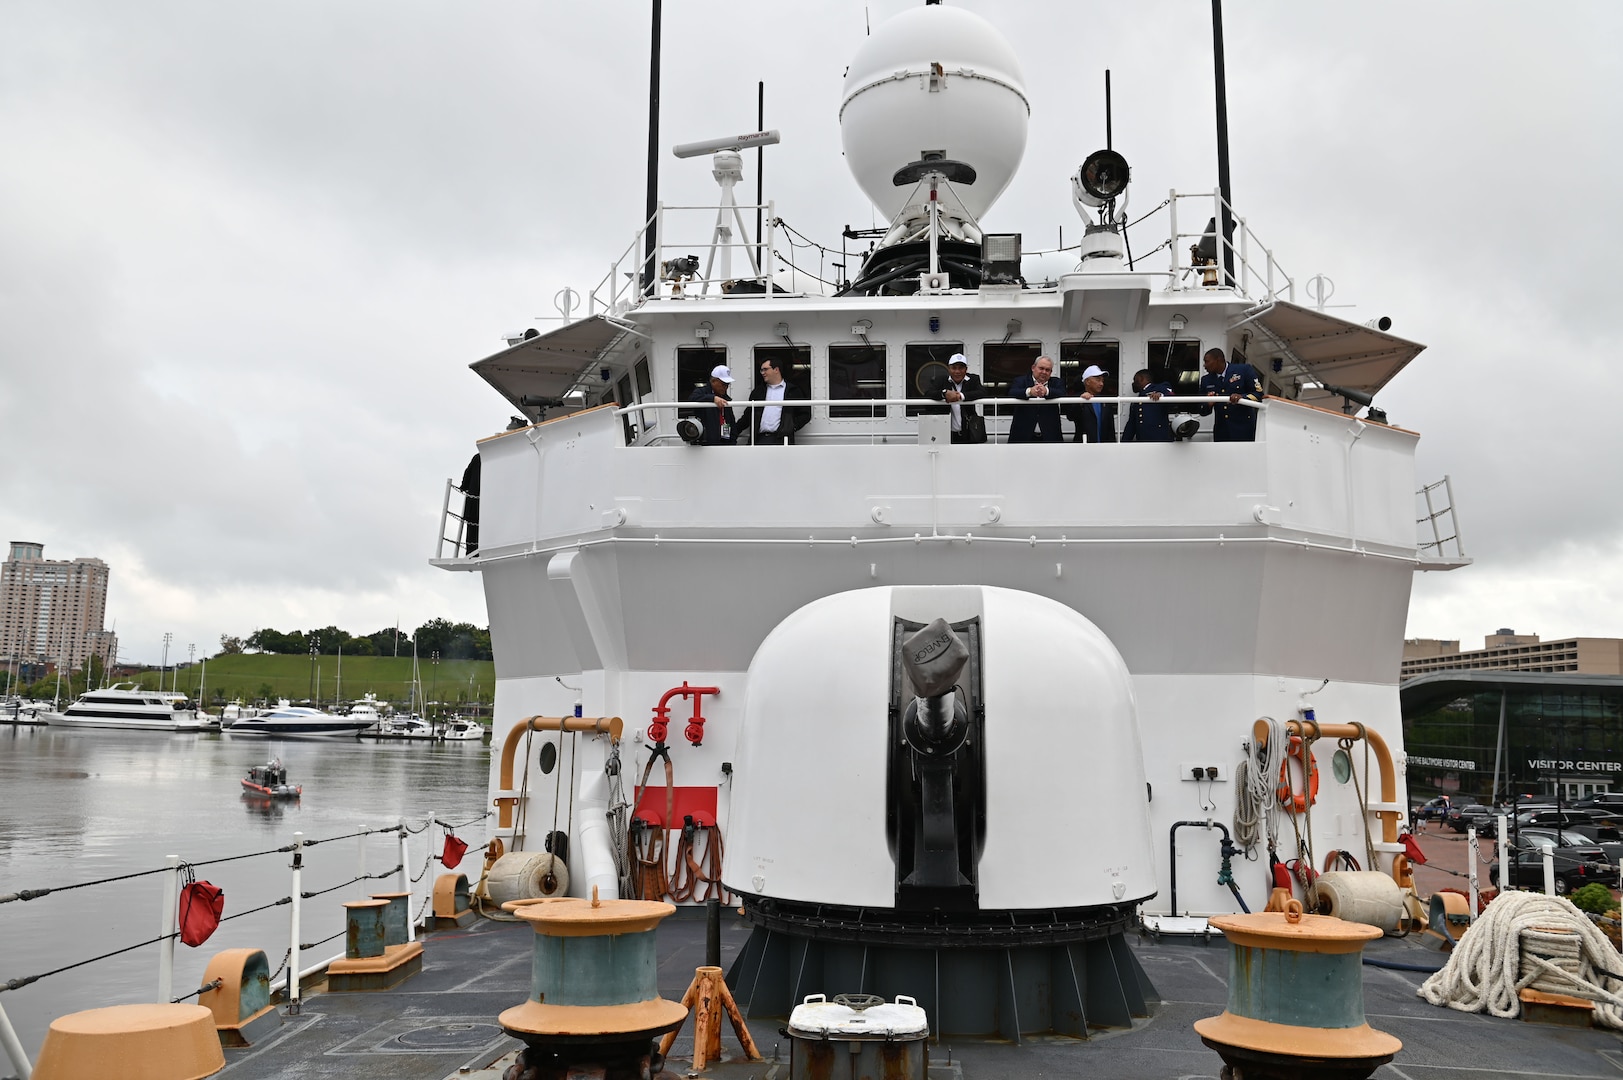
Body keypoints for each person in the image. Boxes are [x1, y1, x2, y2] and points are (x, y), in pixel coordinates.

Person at [1199, 347, 1263, 442]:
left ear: (1218, 360)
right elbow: (1202, 410)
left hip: (1244, 430)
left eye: (1207, 361)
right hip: (1222, 432)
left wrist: (1242, 397)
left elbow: (1258, 394)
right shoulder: (1206, 380)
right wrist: (1209, 404)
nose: (1205, 365)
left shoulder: (1244, 370)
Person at [744, 355, 811, 445]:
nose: (762, 373)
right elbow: (747, 416)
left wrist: (790, 427)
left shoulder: (793, 391)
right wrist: (732, 433)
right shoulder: (758, 392)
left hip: (782, 439)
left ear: (776, 370)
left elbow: (805, 414)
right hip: (759, 439)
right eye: (761, 370)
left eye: (765, 369)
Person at [924, 353, 987, 443]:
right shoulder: (941, 380)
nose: (957, 371)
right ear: (949, 369)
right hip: (945, 430)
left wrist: (961, 396)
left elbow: (982, 392)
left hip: (969, 430)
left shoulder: (973, 379)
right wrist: (944, 393)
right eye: (954, 368)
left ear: (966, 369)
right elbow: (928, 393)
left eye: (961, 368)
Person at [1006, 355, 1064, 443]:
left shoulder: (1057, 382)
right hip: (1023, 435)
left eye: (1047, 370)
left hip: (1050, 435)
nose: (1044, 372)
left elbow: (1062, 393)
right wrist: (1029, 392)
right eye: (1041, 368)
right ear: (1033, 368)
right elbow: (1012, 392)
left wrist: (1047, 391)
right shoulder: (1020, 381)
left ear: (1051, 372)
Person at [678, 364, 740, 445]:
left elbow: (731, 422)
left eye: (727, 384)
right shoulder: (701, 391)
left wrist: (732, 441)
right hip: (705, 445)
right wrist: (712, 398)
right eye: (723, 384)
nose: (726, 387)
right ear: (713, 381)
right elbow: (693, 398)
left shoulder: (726, 398)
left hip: (724, 443)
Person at [1064, 364, 1116, 444]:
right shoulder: (1078, 398)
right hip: (1083, 447)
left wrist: (1113, 447)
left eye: (1102, 381)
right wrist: (1080, 402)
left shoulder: (1105, 400)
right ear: (1087, 381)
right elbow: (1071, 416)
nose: (1101, 384)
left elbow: (1111, 429)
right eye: (1098, 380)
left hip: (1104, 448)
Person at [1122, 368, 1174, 443]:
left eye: (1135, 380)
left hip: (1161, 441)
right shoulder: (1136, 402)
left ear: (1141, 378)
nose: (1133, 383)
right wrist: (1123, 443)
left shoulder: (1159, 388)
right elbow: (1131, 425)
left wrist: (1161, 396)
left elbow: (1171, 396)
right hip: (1143, 442)